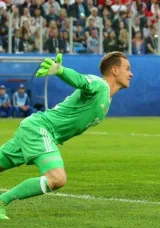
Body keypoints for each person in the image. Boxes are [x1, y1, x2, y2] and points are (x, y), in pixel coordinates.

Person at [0, 52, 133, 219]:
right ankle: (2, 201)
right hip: (40, 130)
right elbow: (80, 80)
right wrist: (60, 70)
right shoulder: (100, 85)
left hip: (36, 128)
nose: (131, 73)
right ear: (114, 70)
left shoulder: (106, 96)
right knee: (56, 178)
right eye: (127, 68)